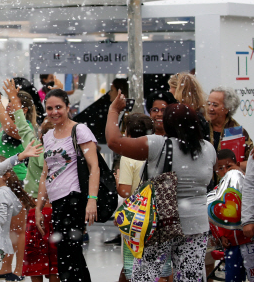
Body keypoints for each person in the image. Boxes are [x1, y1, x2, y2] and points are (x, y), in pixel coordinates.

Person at [106, 90, 217, 282]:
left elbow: (114, 142)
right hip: (197, 224)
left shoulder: (159, 145)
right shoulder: (207, 148)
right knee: (190, 277)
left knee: (147, 276)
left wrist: (113, 111)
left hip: (162, 222)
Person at [35, 89, 100, 282]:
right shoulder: (47, 136)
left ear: (67, 107)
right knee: (66, 255)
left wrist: (92, 200)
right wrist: (38, 207)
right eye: (50, 108)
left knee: (69, 254)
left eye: (58, 107)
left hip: (73, 198)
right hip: (57, 202)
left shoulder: (79, 130)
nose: (54, 112)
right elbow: (45, 174)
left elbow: (94, 166)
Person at [3, 79, 58, 282]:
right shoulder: (67, 153)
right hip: (57, 209)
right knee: (55, 263)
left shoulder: (36, 147)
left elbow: (21, 124)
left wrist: (13, 99)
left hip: (36, 208)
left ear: (41, 134)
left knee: (35, 264)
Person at [114, 114, 173, 282]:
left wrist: (118, 180)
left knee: (132, 263)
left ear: (128, 134)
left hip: (137, 220)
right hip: (159, 215)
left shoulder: (128, 156)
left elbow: (125, 191)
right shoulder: (160, 152)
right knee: (162, 264)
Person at [0, 156, 36, 282]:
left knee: (17, 230)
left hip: (14, 185)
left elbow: (20, 231)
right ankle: (6, 267)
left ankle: (19, 267)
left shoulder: (5, 191)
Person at [210, 149, 253, 282]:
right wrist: (221, 235)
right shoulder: (217, 192)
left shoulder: (247, 186)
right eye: (220, 168)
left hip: (250, 241)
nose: (225, 171)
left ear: (238, 164)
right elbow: (216, 217)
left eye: (229, 166)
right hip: (231, 245)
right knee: (232, 278)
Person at [208, 86, 253, 171]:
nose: (210, 108)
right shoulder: (201, 126)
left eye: (215, 105)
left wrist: (236, 167)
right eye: (208, 104)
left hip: (228, 182)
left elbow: (251, 160)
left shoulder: (236, 131)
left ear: (227, 109)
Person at [168, 73, 210, 141]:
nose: (169, 91)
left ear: (179, 90)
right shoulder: (199, 116)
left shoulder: (187, 118)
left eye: (170, 87)